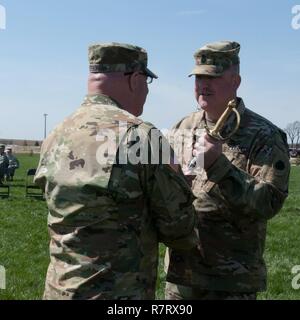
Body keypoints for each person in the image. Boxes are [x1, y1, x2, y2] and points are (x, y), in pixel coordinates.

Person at [34, 42, 199, 300]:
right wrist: (181, 182)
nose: (146, 90)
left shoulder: (56, 135)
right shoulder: (141, 137)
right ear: (134, 79)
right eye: (146, 80)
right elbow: (180, 232)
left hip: (58, 291)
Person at [165, 41, 290, 300]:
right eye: (198, 77)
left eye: (213, 76)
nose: (203, 85)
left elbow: (269, 203)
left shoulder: (264, 135)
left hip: (230, 281)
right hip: (181, 277)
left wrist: (218, 166)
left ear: (236, 81)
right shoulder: (181, 127)